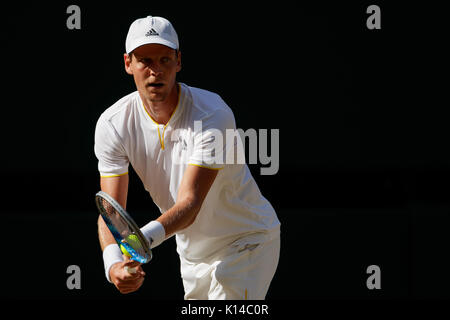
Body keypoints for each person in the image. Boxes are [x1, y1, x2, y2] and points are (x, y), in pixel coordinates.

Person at [94, 15, 281, 299]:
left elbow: (190, 204)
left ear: (178, 62)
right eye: (145, 60)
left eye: (164, 60)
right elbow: (111, 212)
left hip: (246, 243)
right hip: (193, 256)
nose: (155, 70)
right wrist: (113, 264)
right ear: (128, 64)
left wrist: (136, 242)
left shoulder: (212, 114)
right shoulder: (112, 124)